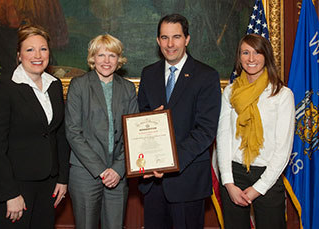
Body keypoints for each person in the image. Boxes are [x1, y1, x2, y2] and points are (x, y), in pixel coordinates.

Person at [137, 13, 221, 228]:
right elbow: (140, 119)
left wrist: (171, 163)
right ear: (158, 41)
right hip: (153, 182)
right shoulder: (149, 74)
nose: (170, 44)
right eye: (164, 37)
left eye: (176, 37)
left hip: (187, 179)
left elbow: (206, 130)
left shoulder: (206, 75)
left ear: (187, 39)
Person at [0, 24, 70, 228]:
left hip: (49, 184)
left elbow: (59, 135)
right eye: (30, 49)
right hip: (17, 186)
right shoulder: (4, 87)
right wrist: (10, 193)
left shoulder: (54, 84)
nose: (37, 55)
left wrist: (62, 179)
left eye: (43, 48)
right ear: (19, 55)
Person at [216, 34, 295, 229]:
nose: (251, 58)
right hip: (234, 175)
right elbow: (223, 137)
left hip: (268, 176)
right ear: (239, 57)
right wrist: (228, 182)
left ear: (266, 56)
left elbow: (283, 149)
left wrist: (258, 188)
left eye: (257, 52)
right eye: (246, 52)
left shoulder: (282, 94)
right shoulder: (230, 92)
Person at [65, 34, 138, 229]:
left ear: (119, 59)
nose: (106, 61)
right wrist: (101, 170)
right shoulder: (78, 85)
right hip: (85, 173)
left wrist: (117, 169)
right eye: (101, 55)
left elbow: (132, 134)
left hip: (118, 174)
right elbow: (73, 132)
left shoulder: (128, 88)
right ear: (92, 58)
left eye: (112, 55)